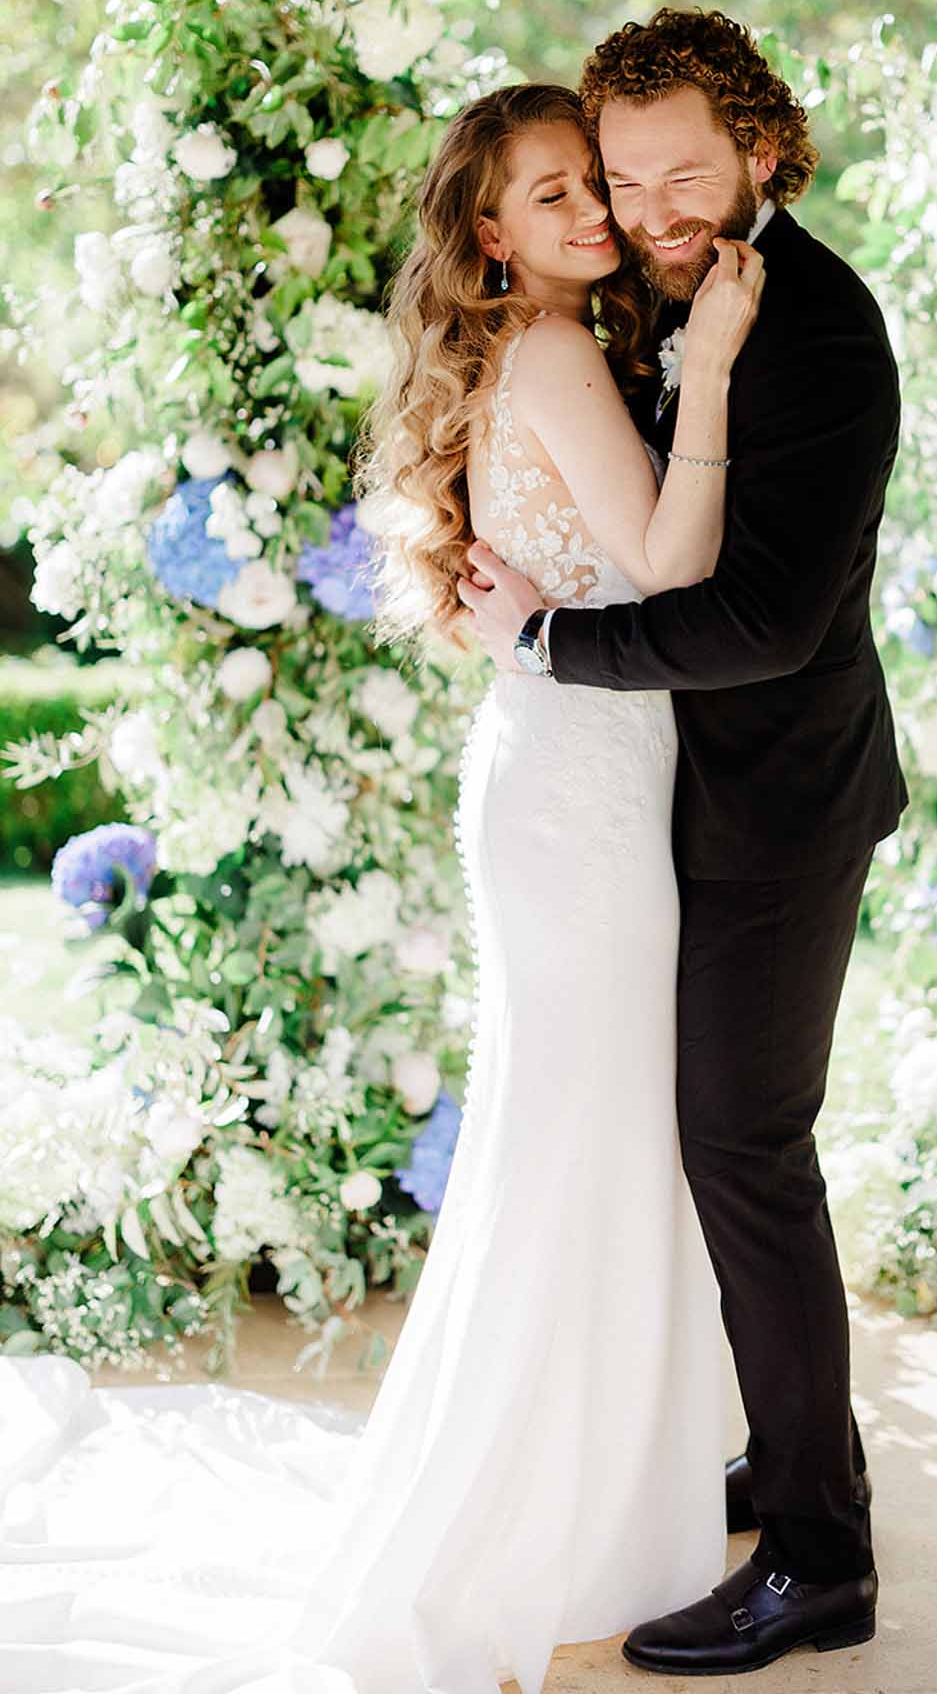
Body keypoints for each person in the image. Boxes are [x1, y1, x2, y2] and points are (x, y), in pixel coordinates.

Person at [0, 82, 766, 1694]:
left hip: (569, 762)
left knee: (583, 1132)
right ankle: (541, 1511)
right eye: (546, 196)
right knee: (586, 1136)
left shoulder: (542, 351)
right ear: (488, 234)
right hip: (580, 788)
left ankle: (581, 1494)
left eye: (587, 188)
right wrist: (706, 380)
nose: (584, 215)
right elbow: (676, 568)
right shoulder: (558, 354)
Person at [457, 8, 908, 1677]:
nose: (647, 208)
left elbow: (766, 624)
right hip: (645, 802)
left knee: (744, 1151)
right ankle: (787, 1458)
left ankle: (819, 1557)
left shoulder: (820, 335)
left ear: (763, 153)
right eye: (622, 175)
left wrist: (551, 649)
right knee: (696, 1143)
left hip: (776, 810)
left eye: (682, 175)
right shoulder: (657, 287)